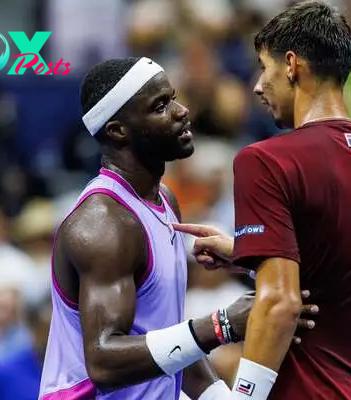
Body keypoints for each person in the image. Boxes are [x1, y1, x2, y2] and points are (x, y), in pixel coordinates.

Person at [175, 1, 351, 398]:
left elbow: (281, 303)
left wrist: (244, 396)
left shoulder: (264, 161)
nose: (257, 85)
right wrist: (249, 253)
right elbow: (348, 276)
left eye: (264, 67)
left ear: (291, 65)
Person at [38, 57, 317, 399]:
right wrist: (222, 326)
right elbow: (104, 363)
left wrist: (220, 396)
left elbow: (167, 341)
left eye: (173, 98)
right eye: (161, 106)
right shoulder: (104, 224)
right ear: (117, 130)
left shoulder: (165, 200)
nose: (182, 111)